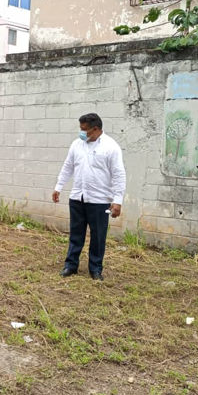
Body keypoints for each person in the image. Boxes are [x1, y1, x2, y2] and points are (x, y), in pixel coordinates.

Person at [52, 113, 126, 281]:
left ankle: (95, 268)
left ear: (95, 129)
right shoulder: (76, 145)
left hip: (99, 201)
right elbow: (68, 166)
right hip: (78, 197)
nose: (81, 133)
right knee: (75, 234)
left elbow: (118, 175)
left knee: (98, 236)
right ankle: (71, 265)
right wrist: (59, 186)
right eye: (80, 129)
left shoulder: (110, 147)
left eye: (84, 130)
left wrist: (117, 200)